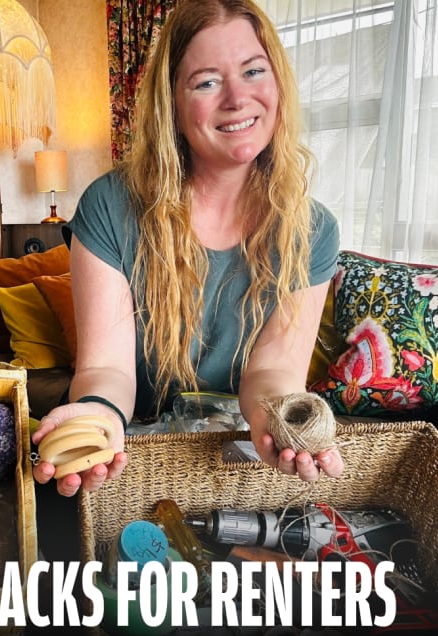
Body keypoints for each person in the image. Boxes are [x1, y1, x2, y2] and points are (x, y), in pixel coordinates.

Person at [33, 0, 344, 498]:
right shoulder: (110, 205)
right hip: (137, 455)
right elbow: (107, 367)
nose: (237, 98)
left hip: (242, 459)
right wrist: (99, 414)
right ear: (172, 106)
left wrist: (277, 422)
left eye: (253, 71)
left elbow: (272, 371)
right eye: (206, 82)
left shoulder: (314, 230)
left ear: (278, 84)